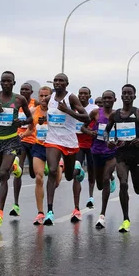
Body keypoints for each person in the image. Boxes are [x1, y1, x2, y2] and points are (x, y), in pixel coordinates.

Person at [0, 71, 33, 229]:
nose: (6, 84)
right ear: (0, 82)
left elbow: (30, 119)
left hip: (11, 141)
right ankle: (15, 167)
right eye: (3, 81)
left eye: (9, 81)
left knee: (3, 174)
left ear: (14, 83)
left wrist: (20, 122)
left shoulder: (19, 99)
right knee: (4, 173)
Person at [104, 84, 139, 232]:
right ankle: (126, 219)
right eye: (125, 93)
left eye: (130, 94)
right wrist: (108, 141)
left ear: (134, 97)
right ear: (121, 96)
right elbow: (106, 132)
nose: (127, 96)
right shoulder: (115, 115)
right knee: (123, 183)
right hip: (121, 154)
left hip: (137, 154)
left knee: (137, 189)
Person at [43, 73, 90, 225]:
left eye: (60, 80)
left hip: (69, 141)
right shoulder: (50, 98)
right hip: (52, 140)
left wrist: (68, 110)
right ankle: (49, 211)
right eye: (55, 80)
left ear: (66, 84)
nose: (57, 82)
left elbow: (86, 117)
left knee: (69, 176)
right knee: (51, 171)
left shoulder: (71, 98)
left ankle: (78, 170)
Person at [29, 86, 59, 225]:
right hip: (39, 147)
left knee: (56, 181)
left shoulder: (56, 111)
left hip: (54, 147)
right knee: (39, 178)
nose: (43, 98)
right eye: (40, 95)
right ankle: (40, 213)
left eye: (45, 96)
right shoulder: (34, 111)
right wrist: (21, 135)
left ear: (51, 97)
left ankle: (59, 169)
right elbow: (29, 129)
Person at [87, 90, 118, 228]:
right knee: (99, 184)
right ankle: (111, 178)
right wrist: (90, 132)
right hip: (97, 151)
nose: (107, 100)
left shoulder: (118, 115)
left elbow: (124, 132)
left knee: (105, 179)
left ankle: (102, 216)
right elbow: (83, 127)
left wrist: (116, 142)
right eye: (104, 98)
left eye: (109, 98)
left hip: (112, 152)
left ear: (114, 100)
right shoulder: (95, 113)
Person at [10, 82, 38, 217]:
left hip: (34, 141)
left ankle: (42, 168)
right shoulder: (15, 104)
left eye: (26, 90)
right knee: (18, 170)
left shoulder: (36, 103)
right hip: (20, 141)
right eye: (22, 89)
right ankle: (16, 204)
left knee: (33, 173)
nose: (23, 91)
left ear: (31, 92)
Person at [71, 87, 98, 221]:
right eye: (80, 93)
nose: (82, 96)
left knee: (92, 172)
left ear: (89, 96)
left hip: (92, 145)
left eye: (85, 94)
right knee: (76, 172)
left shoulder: (94, 109)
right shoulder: (73, 107)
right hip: (77, 144)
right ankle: (76, 208)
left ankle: (91, 197)